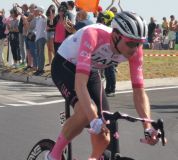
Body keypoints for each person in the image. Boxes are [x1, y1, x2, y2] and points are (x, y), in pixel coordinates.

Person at [45, 11, 161, 160]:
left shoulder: (135, 50)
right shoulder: (93, 34)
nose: (136, 48)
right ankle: (53, 155)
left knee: (107, 121)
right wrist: (93, 119)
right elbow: (80, 85)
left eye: (139, 43)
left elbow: (139, 91)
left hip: (90, 70)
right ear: (116, 35)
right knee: (87, 114)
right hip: (65, 65)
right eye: (131, 43)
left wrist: (148, 127)